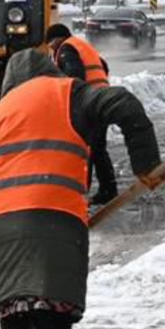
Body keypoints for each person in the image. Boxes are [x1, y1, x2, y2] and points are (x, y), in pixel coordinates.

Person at [0, 49, 162, 329]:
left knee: (17, 305)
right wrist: (147, 165)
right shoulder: (66, 91)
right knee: (53, 305)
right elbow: (123, 104)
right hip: (49, 210)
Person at [45, 22, 119, 205]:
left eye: (50, 43)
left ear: (56, 39)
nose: (50, 47)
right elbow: (104, 66)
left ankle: (80, 192)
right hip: (101, 98)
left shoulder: (66, 49)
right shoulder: (81, 45)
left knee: (84, 148)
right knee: (97, 148)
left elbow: (74, 74)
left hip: (88, 103)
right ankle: (108, 190)